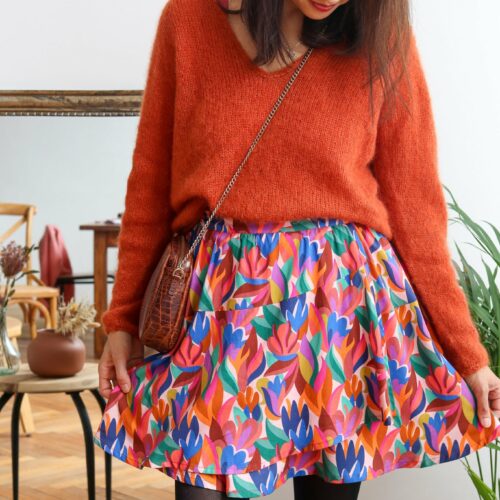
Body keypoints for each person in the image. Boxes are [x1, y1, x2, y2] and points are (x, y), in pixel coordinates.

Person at [92, 0, 500, 498]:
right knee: (199, 481)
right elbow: (150, 184)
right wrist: (123, 319)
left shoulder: (379, 37)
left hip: (341, 312)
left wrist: (468, 355)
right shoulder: (188, 20)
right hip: (221, 311)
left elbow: (417, 212)